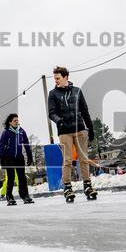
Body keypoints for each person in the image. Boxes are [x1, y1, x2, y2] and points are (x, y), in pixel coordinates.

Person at [47, 66, 97, 201]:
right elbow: (51, 113)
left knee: (84, 159)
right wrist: (59, 121)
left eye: (58, 78)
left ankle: (87, 185)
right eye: (55, 78)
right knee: (68, 160)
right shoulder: (53, 94)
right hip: (64, 131)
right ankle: (67, 188)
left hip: (80, 129)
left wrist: (90, 128)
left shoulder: (77, 91)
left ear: (65, 77)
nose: (56, 81)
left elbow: (85, 110)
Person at [0, 113, 33, 205]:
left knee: (22, 178)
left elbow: (26, 144)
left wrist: (30, 156)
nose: (17, 122)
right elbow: (1, 146)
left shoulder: (21, 131)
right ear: (10, 122)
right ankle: (9, 197)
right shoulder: (6, 132)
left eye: (17, 120)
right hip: (9, 158)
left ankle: (25, 196)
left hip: (19, 157)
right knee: (11, 178)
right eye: (15, 121)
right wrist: (3, 159)